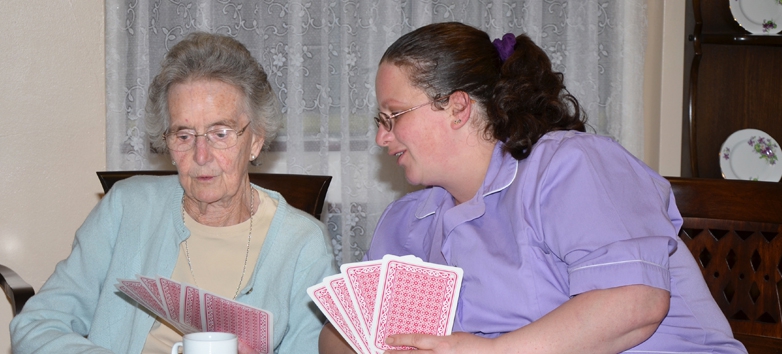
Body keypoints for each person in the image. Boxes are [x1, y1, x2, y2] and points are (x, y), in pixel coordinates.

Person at [319, 22, 747, 353]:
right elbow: (339, 333)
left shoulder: (569, 167)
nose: (382, 137)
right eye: (380, 121)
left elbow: (635, 305)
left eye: (394, 116)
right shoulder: (409, 220)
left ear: (458, 108)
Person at [11, 32, 337, 354]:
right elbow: (36, 326)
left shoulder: (302, 243)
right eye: (184, 135)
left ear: (254, 140)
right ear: (166, 141)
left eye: (220, 133)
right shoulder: (126, 208)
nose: (201, 156)